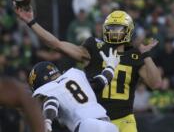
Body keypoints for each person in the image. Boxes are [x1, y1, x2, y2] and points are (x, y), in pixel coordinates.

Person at [15, 7, 162, 132]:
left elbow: (155, 84)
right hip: (95, 118)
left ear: (128, 30)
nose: (114, 32)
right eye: (111, 28)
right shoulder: (95, 48)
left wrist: (146, 55)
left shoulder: (134, 56)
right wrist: (32, 22)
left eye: (118, 28)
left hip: (124, 120)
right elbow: (57, 44)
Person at [28, 48, 119, 132]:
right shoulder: (74, 74)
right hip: (108, 125)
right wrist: (111, 66)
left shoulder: (46, 89)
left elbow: (51, 100)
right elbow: (100, 82)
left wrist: (47, 121)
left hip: (86, 125)